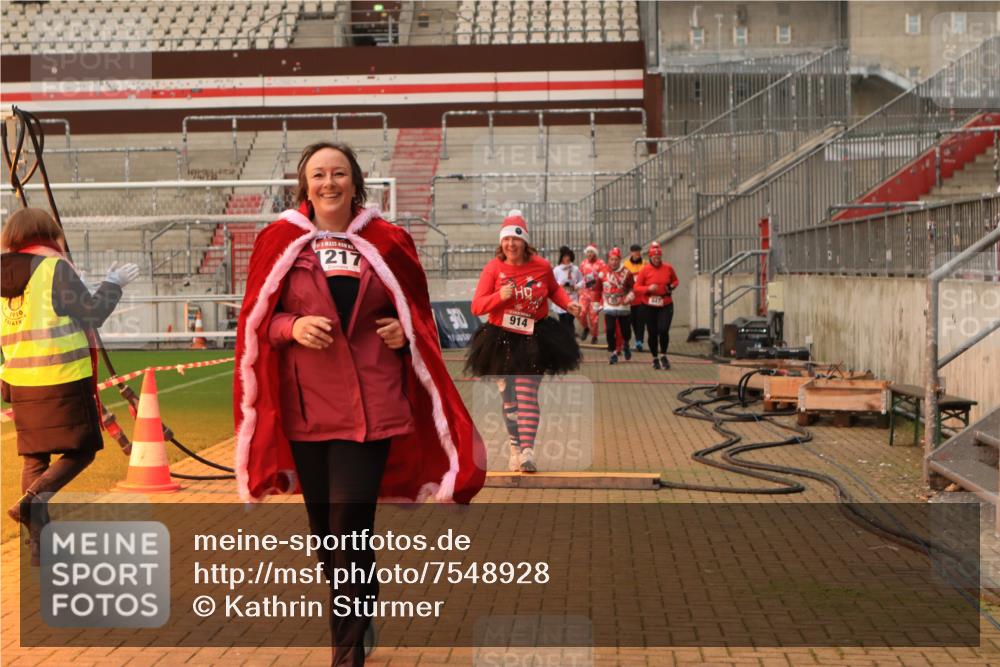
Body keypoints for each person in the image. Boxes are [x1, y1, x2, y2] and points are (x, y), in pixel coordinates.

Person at [234, 142, 485, 665]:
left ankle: (345, 653)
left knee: (349, 527)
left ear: (355, 181)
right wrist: (293, 325)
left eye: (339, 173)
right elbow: (259, 322)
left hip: (373, 409)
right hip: (308, 412)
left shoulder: (389, 240)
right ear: (305, 184)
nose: (329, 183)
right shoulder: (280, 240)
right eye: (319, 175)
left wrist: (404, 331)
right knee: (330, 538)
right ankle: (362, 606)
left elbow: (415, 312)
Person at [1, 208, 140, 561]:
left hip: (20, 382)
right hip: (61, 378)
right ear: (47, 234)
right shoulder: (53, 268)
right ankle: (30, 503)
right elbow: (91, 313)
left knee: (34, 460)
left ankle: (39, 545)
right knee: (82, 449)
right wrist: (113, 285)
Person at [465, 210, 582, 473]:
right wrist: (500, 297)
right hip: (500, 339)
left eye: (516, 240)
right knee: (509, 400)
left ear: (525, 242)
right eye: (506, 240)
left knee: (527, 392)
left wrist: (569, 304)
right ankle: (515, 448)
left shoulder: (541, 266)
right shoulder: (493, 268)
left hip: (534, 337)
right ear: (501, 243)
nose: (511, 245)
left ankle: (528, 451)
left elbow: (553, 290)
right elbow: (477, 306)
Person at [633, 241, 680, 370]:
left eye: (658, 257)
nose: (657, 259)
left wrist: (671, 286)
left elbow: (676, 280)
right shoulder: (644, 270)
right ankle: (654, 357)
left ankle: (663, 355)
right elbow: (636, 288)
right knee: (652, 333)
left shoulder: (668, 268)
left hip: (665, 303)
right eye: (654, 257)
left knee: (663, 330)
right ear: (650, 257)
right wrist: (648, 288)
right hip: (648, 305)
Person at [598, 247, 635, 364]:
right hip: (609, 306)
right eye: (611, 259)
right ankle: (613, 352)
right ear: (608, 260)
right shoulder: (602, 272)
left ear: (620, 260)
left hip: (623, 306)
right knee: (609, 330)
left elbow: (633, 287)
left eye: (616, 259)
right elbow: (597, 288)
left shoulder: (627, 272)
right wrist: (597, 302)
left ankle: (626, 344)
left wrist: (629, 297)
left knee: (625, 331)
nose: (614, 262)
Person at [551, 245, 583, 334]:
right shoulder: (557, 270)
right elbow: (552, 282)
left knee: (570, 320)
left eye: (568, 256)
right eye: (565, 256)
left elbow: (582, 281)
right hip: (561, 299)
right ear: (561, 257)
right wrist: (560, 285)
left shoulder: (575, 269)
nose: (567, 258)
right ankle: (565, 341)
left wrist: (575, 286)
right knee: (563, 321)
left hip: (572, 298)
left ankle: (571, 339)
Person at [577, 244, 605, 344]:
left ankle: (594, 336)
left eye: (591, 252)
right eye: (588, 252)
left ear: (595, 253)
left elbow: (604, 278)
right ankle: (585, 328)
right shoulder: (583, 264)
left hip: (596, 294)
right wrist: (579, 288)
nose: (590, 254)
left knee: (594, 318)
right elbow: (580, 278)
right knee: (580, 312)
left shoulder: (601, 264)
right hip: (585, 293)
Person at [623, 243, 645, 352]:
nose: (636, 253)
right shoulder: (626, 265)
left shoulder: (645, 264)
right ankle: (637, 340)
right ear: (631, 252)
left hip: (642, 298)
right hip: (631, 298)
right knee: (633, 321)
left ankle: (639, 341)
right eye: (634, 251)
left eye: (638, 251)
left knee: (641, 320)